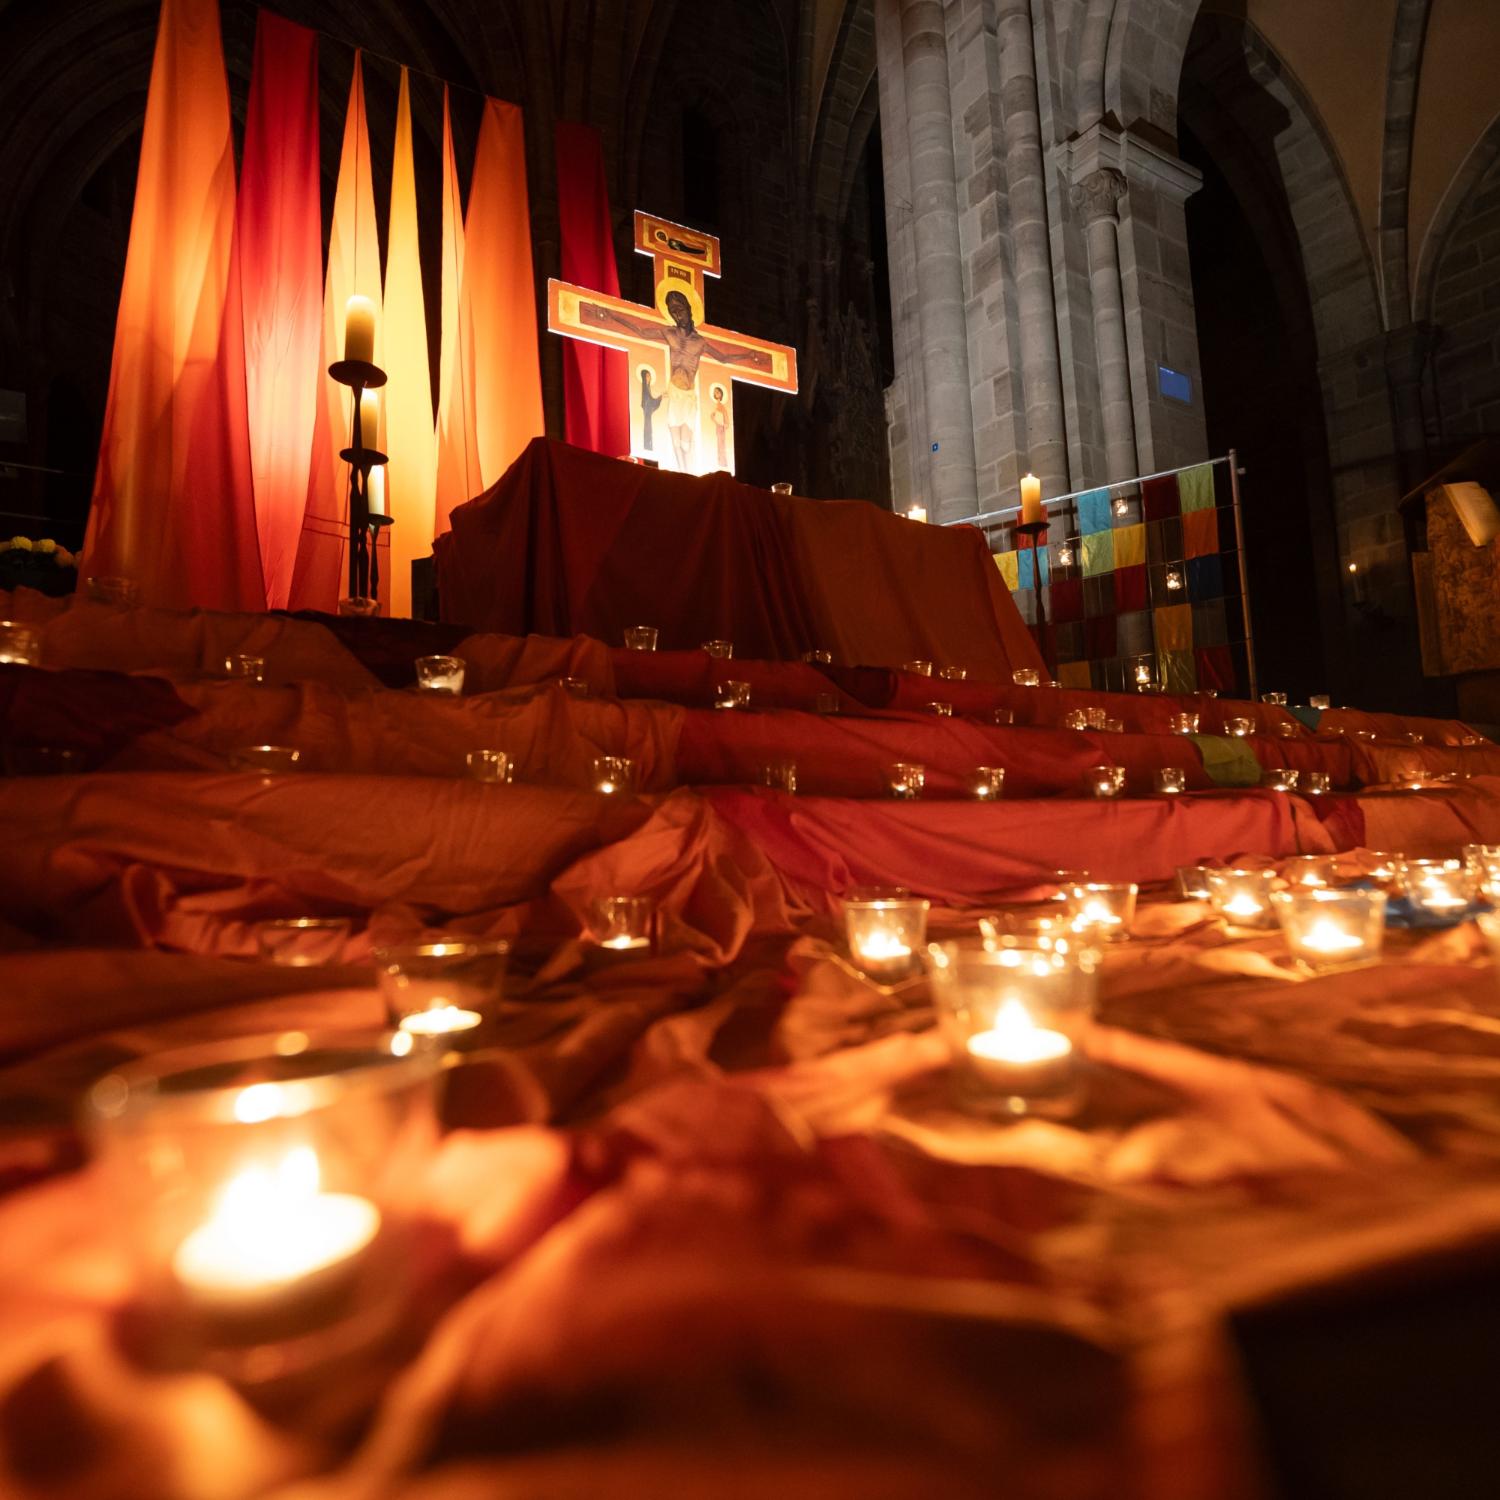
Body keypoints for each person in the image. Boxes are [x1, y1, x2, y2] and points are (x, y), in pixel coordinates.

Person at [583, 289, 767, 471]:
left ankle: (689, 478)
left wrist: (749, 355)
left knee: (686, 444)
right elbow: (641, 332)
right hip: (674, 392)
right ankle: (682, 481)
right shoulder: (668, 333)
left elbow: (724, 358)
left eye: (680, 309)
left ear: (689, 308)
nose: (678, 315)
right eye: (673, 311)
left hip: (688, 397)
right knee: (676, 443)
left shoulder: (700, 342)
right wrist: (612, 315)